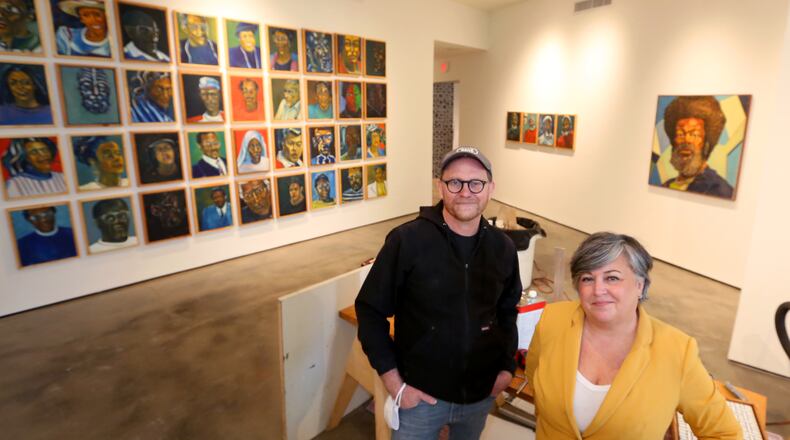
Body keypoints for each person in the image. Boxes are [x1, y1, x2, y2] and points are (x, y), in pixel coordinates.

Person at [356, 147, 521, 439]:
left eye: (476, 183)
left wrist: (506, 368)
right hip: (420, 400)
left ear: (491, 188)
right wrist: (395, 384)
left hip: (480, 397)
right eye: (454, 182)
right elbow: (370, 310)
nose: (465, 191)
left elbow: (507, 312)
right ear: (439, 186)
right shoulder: (407, 241)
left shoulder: (503, 248)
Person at [525, 232, 741, 439]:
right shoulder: (552, 320)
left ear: (640, 285)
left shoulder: (677, 351)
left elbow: (724, 433)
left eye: (612, 278)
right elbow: (534, 380)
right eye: (588, 279)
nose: (598, 289)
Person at [661, 96, 733, 198]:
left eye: (694, 135)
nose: (687, 140)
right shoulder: (667, 185)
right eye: (681, 134)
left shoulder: (719, 190)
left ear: (706, 144)